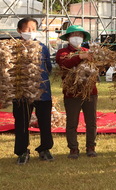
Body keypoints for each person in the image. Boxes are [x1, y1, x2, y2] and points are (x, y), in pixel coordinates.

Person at [12, 17, 54, 165]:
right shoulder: (12, 48)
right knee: (22, 123)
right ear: (19, 31)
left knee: (45, 122)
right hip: (21, 92)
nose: (31, 32)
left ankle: (45, 148)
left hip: (42, 92)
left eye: (33, 29)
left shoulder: (42, 47)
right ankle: (22, 151)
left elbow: (48, 67)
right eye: (27, 29)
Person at [56, 25, 97, 159]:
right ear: (68, 38)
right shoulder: (62, 52)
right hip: (71, 93)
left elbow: (98, 67)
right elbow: (64, 64)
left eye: (80, 35)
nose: (77, 37)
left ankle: (91, 147)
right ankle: (73, 148)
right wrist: (80, 57)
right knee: (72, 122)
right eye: (74, 35)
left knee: (91, 122)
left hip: (90, 92)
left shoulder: (88, 51)